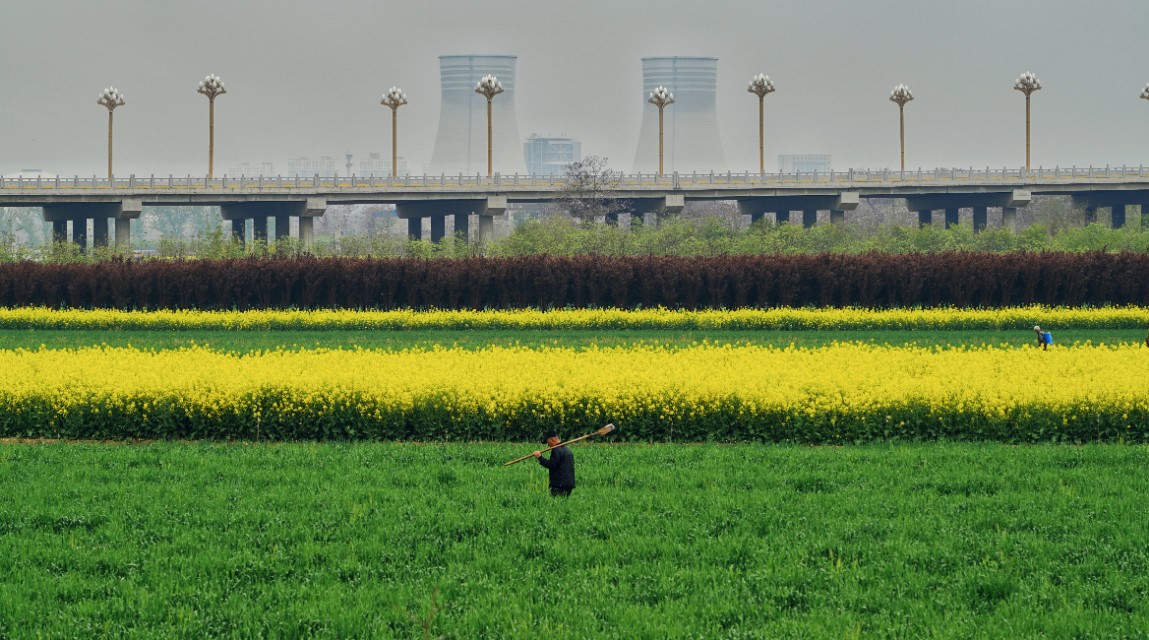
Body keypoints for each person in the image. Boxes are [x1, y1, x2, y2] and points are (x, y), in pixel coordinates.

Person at [533, 430, 575, 497]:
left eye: (547, 442)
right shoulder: (567, 450)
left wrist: (539, 457)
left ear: (552, 439)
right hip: (568, 484)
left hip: (559, 485)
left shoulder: (556, 450)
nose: (548, 444)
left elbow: (551, 465)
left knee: (556, 504)